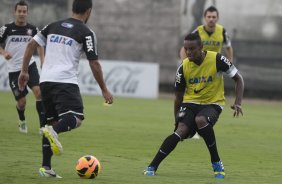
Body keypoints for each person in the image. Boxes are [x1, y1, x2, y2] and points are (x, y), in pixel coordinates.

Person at [18, 0, 113, 178]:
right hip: (65, 82)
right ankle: (54, 132)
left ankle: (46, 168)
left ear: (73, 8)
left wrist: (24, 71)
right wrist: (104, 89)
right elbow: (94, 63)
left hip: (45, 81)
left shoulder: (53, 25)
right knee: (75, 118)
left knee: (50, 123)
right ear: (89, 11)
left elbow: (31, 44)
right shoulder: (86, 32)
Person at [144, 33, 244, 179]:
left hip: (213, 103)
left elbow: (238, 79)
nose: (188, 52)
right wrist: (177, 119)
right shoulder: (183, 68)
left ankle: (216, 162)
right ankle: (152, 166)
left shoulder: (217, 59)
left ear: (201, 47)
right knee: (180, 131)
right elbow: (178, 97)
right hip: (190, 103)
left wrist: (238, 102)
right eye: (186, 49)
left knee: (201, 120)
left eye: (192, 49)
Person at [0, 0, 45, 133]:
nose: (22, 14)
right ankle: (22, 120)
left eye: (24, 11)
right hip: (14, 70)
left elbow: (41, 44)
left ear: (27, 13)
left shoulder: (33, 29)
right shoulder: (6, 29)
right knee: (22, 102)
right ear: (15, 12)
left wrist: (43, 60)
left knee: (39, 92)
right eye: (19, 11)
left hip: (30, 66)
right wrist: (3, 52)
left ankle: (43, 126)